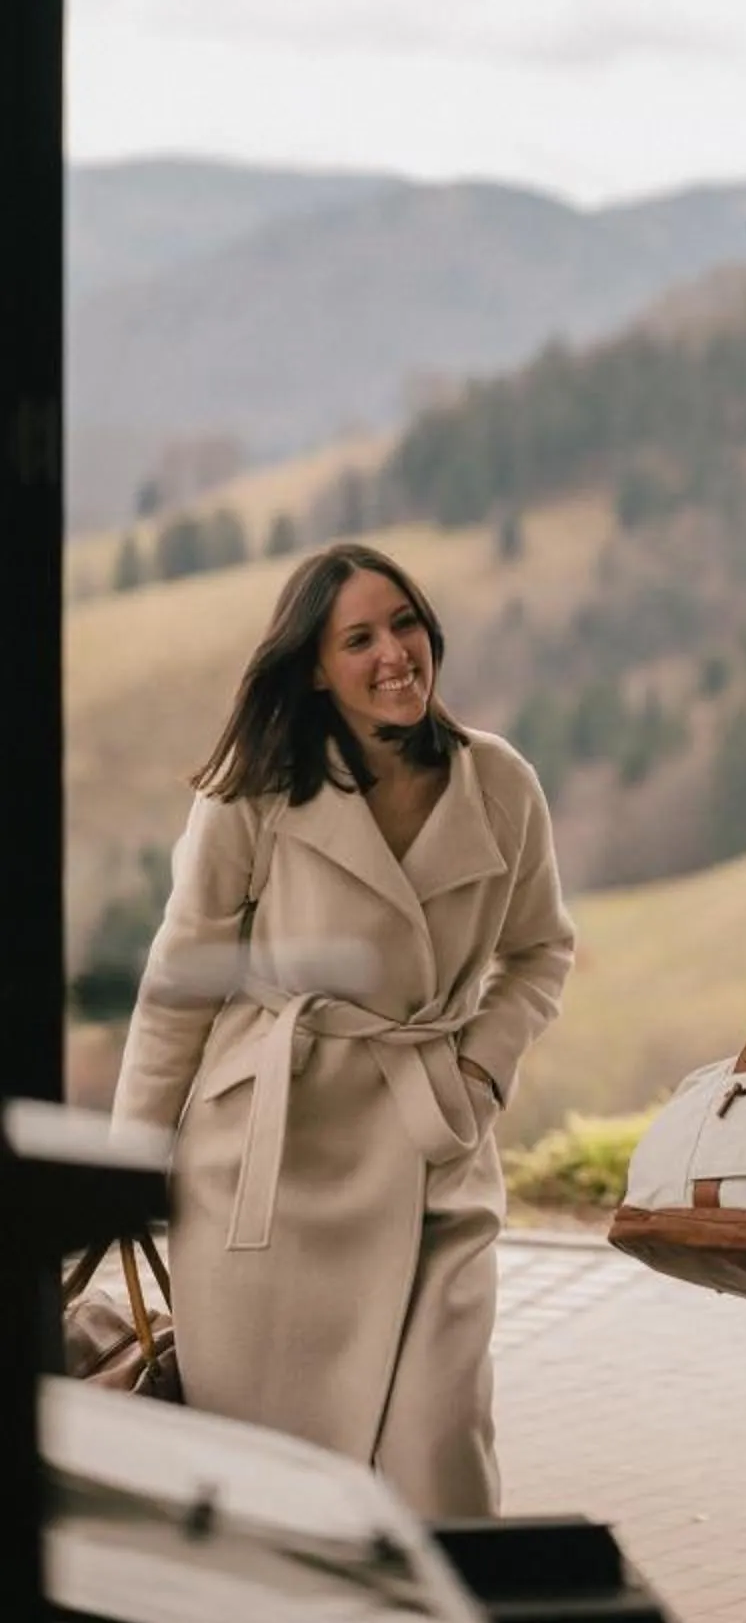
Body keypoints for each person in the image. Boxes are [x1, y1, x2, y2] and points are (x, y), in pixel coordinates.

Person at [112, 540, 575, 1519]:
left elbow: (540, 952)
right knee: (269, 1497)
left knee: (440, 1464)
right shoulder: (255, 791)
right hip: (268, 1174)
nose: (393, 653)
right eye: (357, 638)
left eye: (405, 625)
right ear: (316, 668)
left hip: (431, 1154)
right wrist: (123, 1166)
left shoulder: (500, 785)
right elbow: (181, 982)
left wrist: (481, 1075)